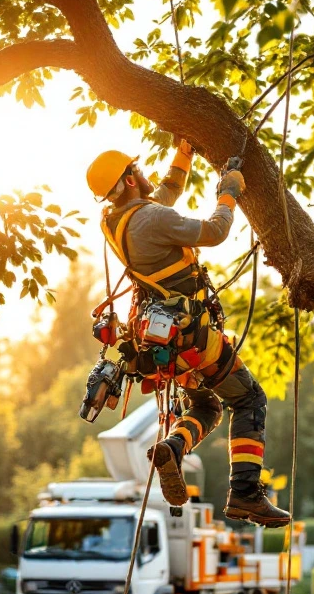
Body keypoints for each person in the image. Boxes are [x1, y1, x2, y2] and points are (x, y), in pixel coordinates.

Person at [85, 140, 290, 528]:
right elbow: (214, 232)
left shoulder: (116, 220)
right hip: (192, 338)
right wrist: (228, 192)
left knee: (207, 406)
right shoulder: (152, 220)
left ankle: (173, 447)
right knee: (249, 399)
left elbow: (167, 192)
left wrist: (185, 149)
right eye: (137, 170)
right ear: (130, 179)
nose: (144, 174)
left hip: (157, 345)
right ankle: (245, 493)